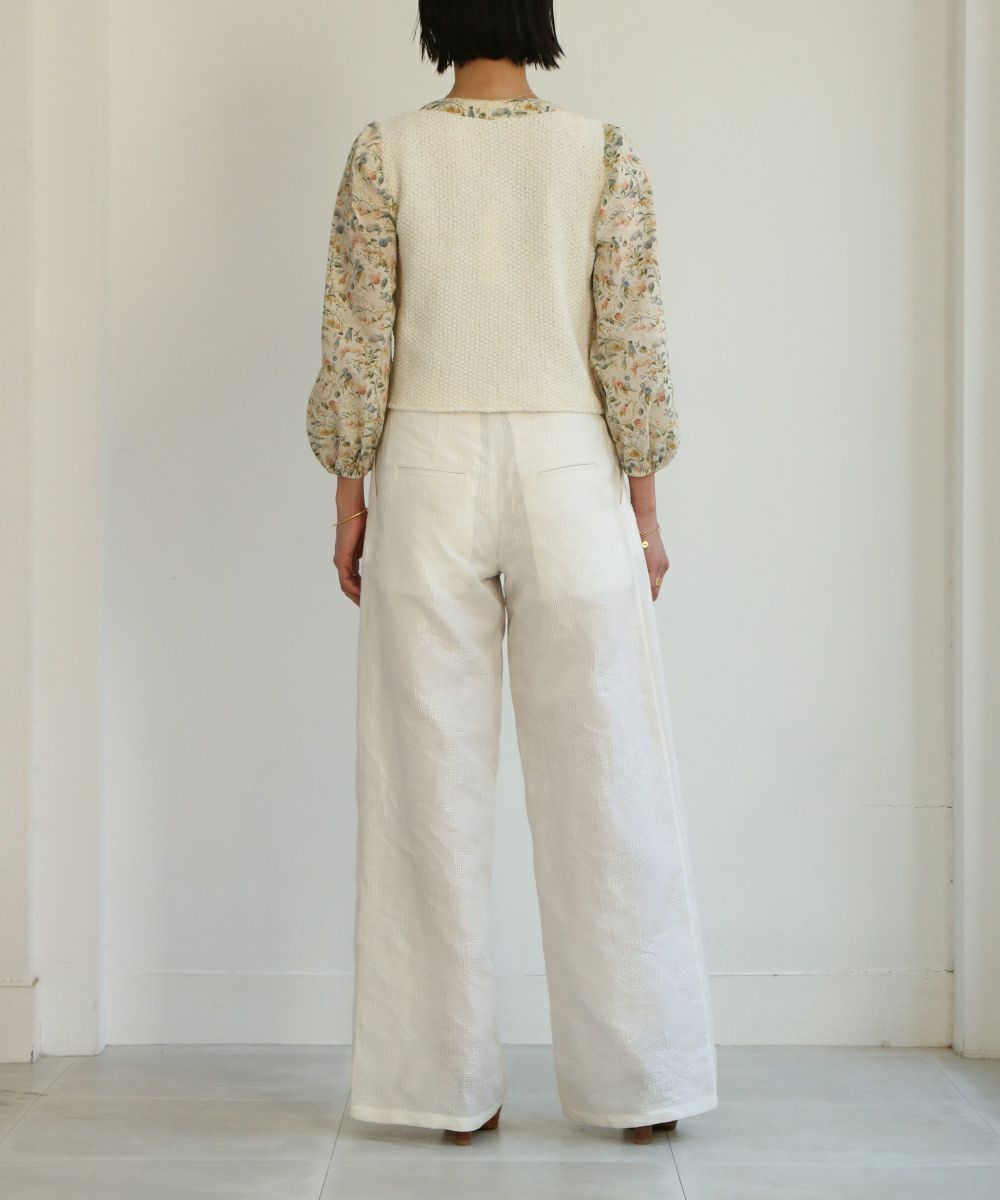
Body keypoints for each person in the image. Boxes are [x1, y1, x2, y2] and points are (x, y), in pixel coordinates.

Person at [305, 0, 718, 1147]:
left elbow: (358, 342)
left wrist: (350, 497)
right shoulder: (600, 151)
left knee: (423, 786)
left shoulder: (384, 152)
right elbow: (629, 342)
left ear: (435, 17)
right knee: (608, 775)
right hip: (569, 470)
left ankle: (442, 1090)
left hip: (425, 470)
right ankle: (639, 1087)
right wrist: (644, 509)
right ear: (538, 15)